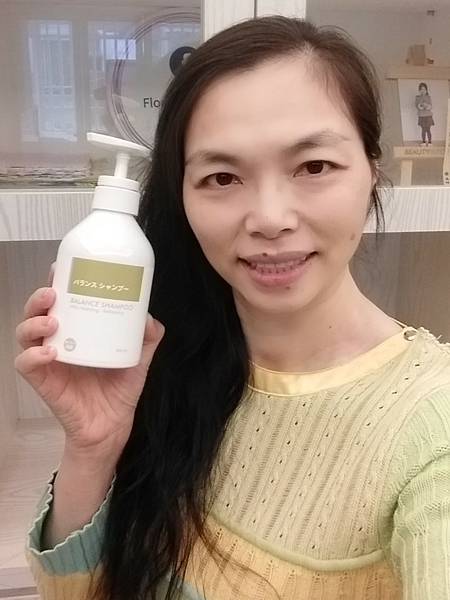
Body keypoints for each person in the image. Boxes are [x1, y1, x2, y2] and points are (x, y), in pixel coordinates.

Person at [15, 16, 450, 600]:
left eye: (314, 167)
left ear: (372, 171)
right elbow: (77, 592)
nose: (269, 218)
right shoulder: (166, 361)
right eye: (222, 177)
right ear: (182, 196)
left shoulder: (432, 425)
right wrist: (93, 449)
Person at [415, 82, 434, 146]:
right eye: (421, 89)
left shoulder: (429, 97)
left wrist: (426, 106)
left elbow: (430, 106)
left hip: (428, 116)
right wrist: (421, 105)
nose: (423, 90)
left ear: (426, 90)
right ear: (419, 90)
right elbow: (417, 106)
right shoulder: (417, 97)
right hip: (421, 116)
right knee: (423, 129)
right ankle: (423, 142)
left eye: (424, 89)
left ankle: (430, 142)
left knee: (428, 129)